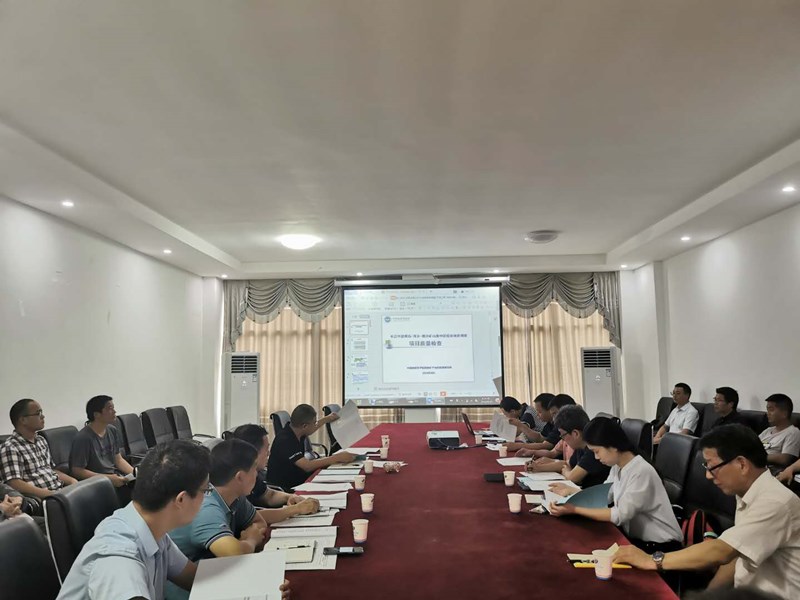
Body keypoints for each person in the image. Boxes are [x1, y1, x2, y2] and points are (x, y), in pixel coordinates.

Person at [58, 440, 290, 600]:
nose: (207, 497)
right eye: (205, 491)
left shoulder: (153, 531)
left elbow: (195, 578)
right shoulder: (118, 560)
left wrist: (262, 586)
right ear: (181, 499)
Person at [614, 425, 800, 599]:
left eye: (712, 467)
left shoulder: (775, 502)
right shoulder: (747, 494)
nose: (708, 475)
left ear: (741, 464)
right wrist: (709, 594)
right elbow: (736, 556)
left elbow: (721, 551)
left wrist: (652, 560)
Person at [167, 439, 282, 600]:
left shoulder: (234, 496)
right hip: (192, 591)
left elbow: (259, 523)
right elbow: (235, 554)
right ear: (240, 477)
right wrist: (251, 540)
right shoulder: (207, 507)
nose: (258, 474)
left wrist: (242, 544)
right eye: (254, 468)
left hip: (220, 577)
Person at [549, 416, 683, 552]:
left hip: (661, 547)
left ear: (612, 446)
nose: (596, 457)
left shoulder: (641, 471)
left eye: (597, 451)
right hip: (637, 539)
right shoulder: (617, 466)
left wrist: (574, 509)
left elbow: (619, 515)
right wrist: (571, 491)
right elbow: (604, 495)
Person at [228, 423, 319, 523]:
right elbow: (249, 517)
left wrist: (290, 497)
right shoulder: (234, 478)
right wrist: (296, 509)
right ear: (253, 452)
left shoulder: (252, 472)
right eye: (266, 449)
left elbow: (268, 495)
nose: (268, 453)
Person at [266, 404, 357, 491]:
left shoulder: (295, 430)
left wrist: (327, 419)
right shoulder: (285, 440)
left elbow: (311, 428)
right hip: (288, 487)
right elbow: (307, 466)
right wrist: (337, 458)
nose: (315, 424)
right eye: (314, 422)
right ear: (304, 426)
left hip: (299, 477)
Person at [0, 398, 77, 499]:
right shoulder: (10, 447)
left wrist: (73, 482)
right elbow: (14, 483)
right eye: (38, 413)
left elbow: (51, 470)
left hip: (59, 491)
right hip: (43, 498)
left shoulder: (41, 440)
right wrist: (51, 495)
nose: (43, 416)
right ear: (23, 420)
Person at [69, 395, 135, 493]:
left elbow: (118, 460)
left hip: (115, 477)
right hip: (96, 483)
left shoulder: (112, 430)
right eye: (110, 408)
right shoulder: (83, 438)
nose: (114, 411)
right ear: (97, 414)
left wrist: (135, 473)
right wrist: (107, 478)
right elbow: (77, 470)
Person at [546, 406, 610, 488]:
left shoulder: (592, 451)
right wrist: (539, 467)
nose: (563, 439)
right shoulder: (580, 447)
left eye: (563, 435)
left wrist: (566, 471)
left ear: (575, 434)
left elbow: (572, 478)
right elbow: (567, 463)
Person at [509, 394, 575, 456]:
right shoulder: (552, 424)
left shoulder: (563, 428)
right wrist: (533, 452)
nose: (537, 414)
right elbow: (541, 439)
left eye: (539, 412)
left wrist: (517, 446)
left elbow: (546, 446)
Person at [758, 393, 800, 470]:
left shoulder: (793, 432)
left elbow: (785, 458)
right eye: (767, 410)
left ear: (784, 413)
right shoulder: (768, 431)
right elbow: (752, 445)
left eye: (771, 410)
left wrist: (756, 456)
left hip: (769, 469)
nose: (767, 413)